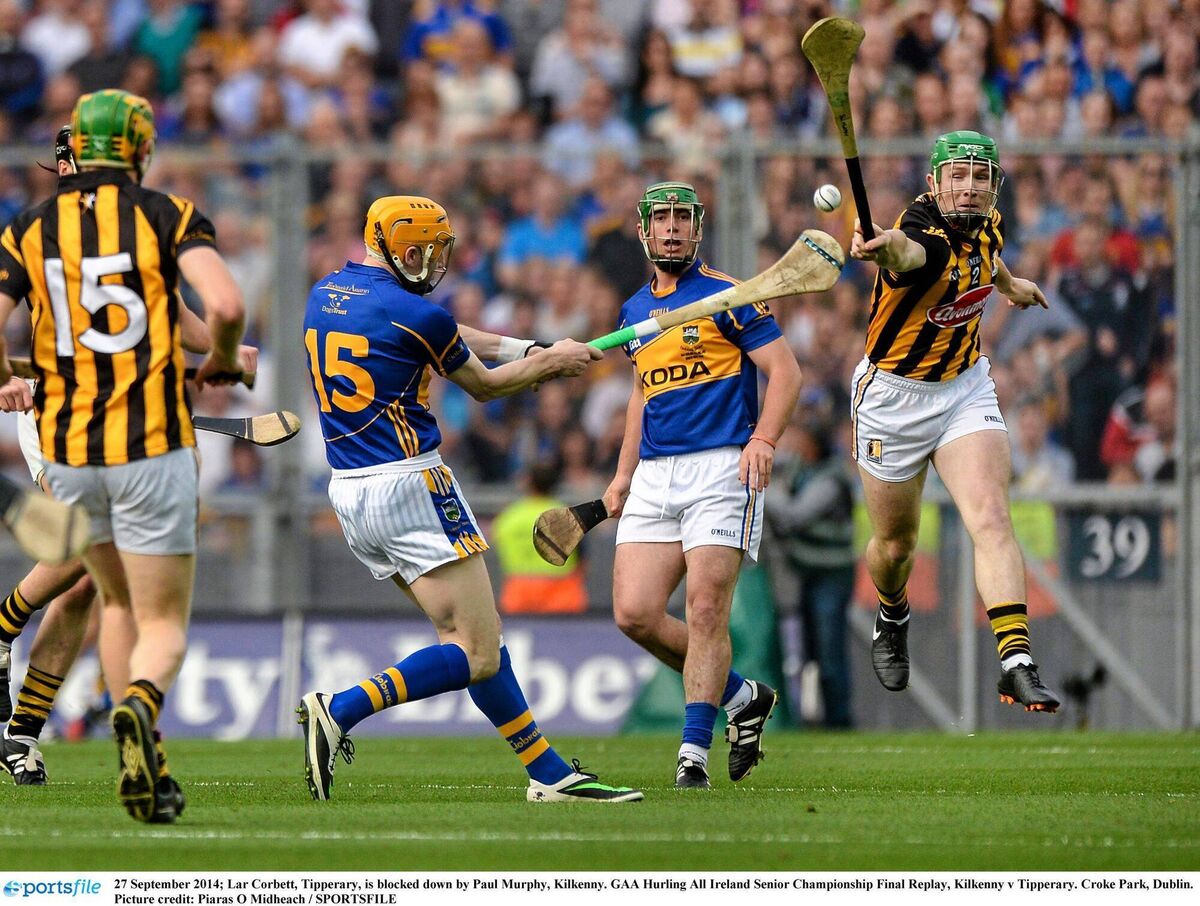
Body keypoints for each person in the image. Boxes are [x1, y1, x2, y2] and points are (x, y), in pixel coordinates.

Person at [298, 195, 641, 804]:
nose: (436, 264)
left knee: (472, 639)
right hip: (412, 485)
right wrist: (551, 366)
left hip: (350, 493)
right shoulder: (414, 313)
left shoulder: (327, 291)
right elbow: (480, 389)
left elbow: (439, 331)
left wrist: (525, 348)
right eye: (428, 254)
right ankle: (341, 707)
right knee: (477, 651)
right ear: (404, 250)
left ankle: (548, 772)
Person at [0, 89, 249, 821]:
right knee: (156, 615)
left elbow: (187, 323)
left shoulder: (29, 231)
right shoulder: (165, 217)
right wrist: (232, 360)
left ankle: (75, 739)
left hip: (73, 441)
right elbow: (224, 311)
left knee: (101, 594)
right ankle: (135, 704)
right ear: (141, 148)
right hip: (149, 441)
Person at [848, 130, 1059, 713]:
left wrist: (1012, 286)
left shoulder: (988, 224)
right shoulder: (921, 238)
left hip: (964, 387)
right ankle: (892, 615)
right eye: (957, 178)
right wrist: (883, 245)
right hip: (891, 400)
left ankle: (1016, 662)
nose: (969, 189)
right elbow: (907, 253)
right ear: (933, 184)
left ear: (994, 187)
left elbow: (988, 259)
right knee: (896, 546)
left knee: (991, 515)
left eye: (980, 178)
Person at [602, 181, 803, 788]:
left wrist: (763, 440)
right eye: (660, 219)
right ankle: (740, 695)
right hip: (657, 475)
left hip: (721, 467)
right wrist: (622, 474)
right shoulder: (634, 311)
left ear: (698, 229)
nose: (671, 229)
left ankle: (693, 755)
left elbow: (786, 374)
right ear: (643, 232)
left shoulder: (732, 296)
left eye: (682, 219)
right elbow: (643, 392)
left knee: (707, 609)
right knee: (634, 613)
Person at [764, 420, 855, 729]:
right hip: (806, 573)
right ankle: (813, 717)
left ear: (813, 443)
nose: (790, 444)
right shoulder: (799, 471)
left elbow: (796, 515)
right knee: (809, 653)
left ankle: (839, 720)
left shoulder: (831, 477)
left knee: (829, 653)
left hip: (832, 574)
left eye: (797, 437)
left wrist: (764, 490)